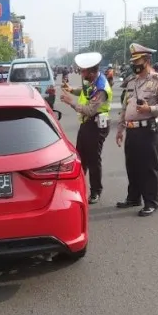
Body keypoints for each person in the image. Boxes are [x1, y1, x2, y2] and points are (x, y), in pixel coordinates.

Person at [115, 43, 158, 217]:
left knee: (148, 167)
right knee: (132, 166)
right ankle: (133, 198)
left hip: (148, 129)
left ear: (147, 60)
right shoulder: (132, 82)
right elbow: (125, 107)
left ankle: (151, 202)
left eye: (137, 60)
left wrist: (150, 109)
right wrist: (120, 129)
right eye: (133, 61)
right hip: (132, 130)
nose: (134, 64)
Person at [60, 52, 112, 204]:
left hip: (96, 125)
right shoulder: (91, 81)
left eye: (83, 71)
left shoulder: (101, 87)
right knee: (81, 157)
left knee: (93, 159)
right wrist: (71, 90)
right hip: (87, 124)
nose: (80, 73)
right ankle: (79, 187)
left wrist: (71, 102)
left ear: (91, 71)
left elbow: (90, 110)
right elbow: (85, 91)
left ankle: (96, 191)